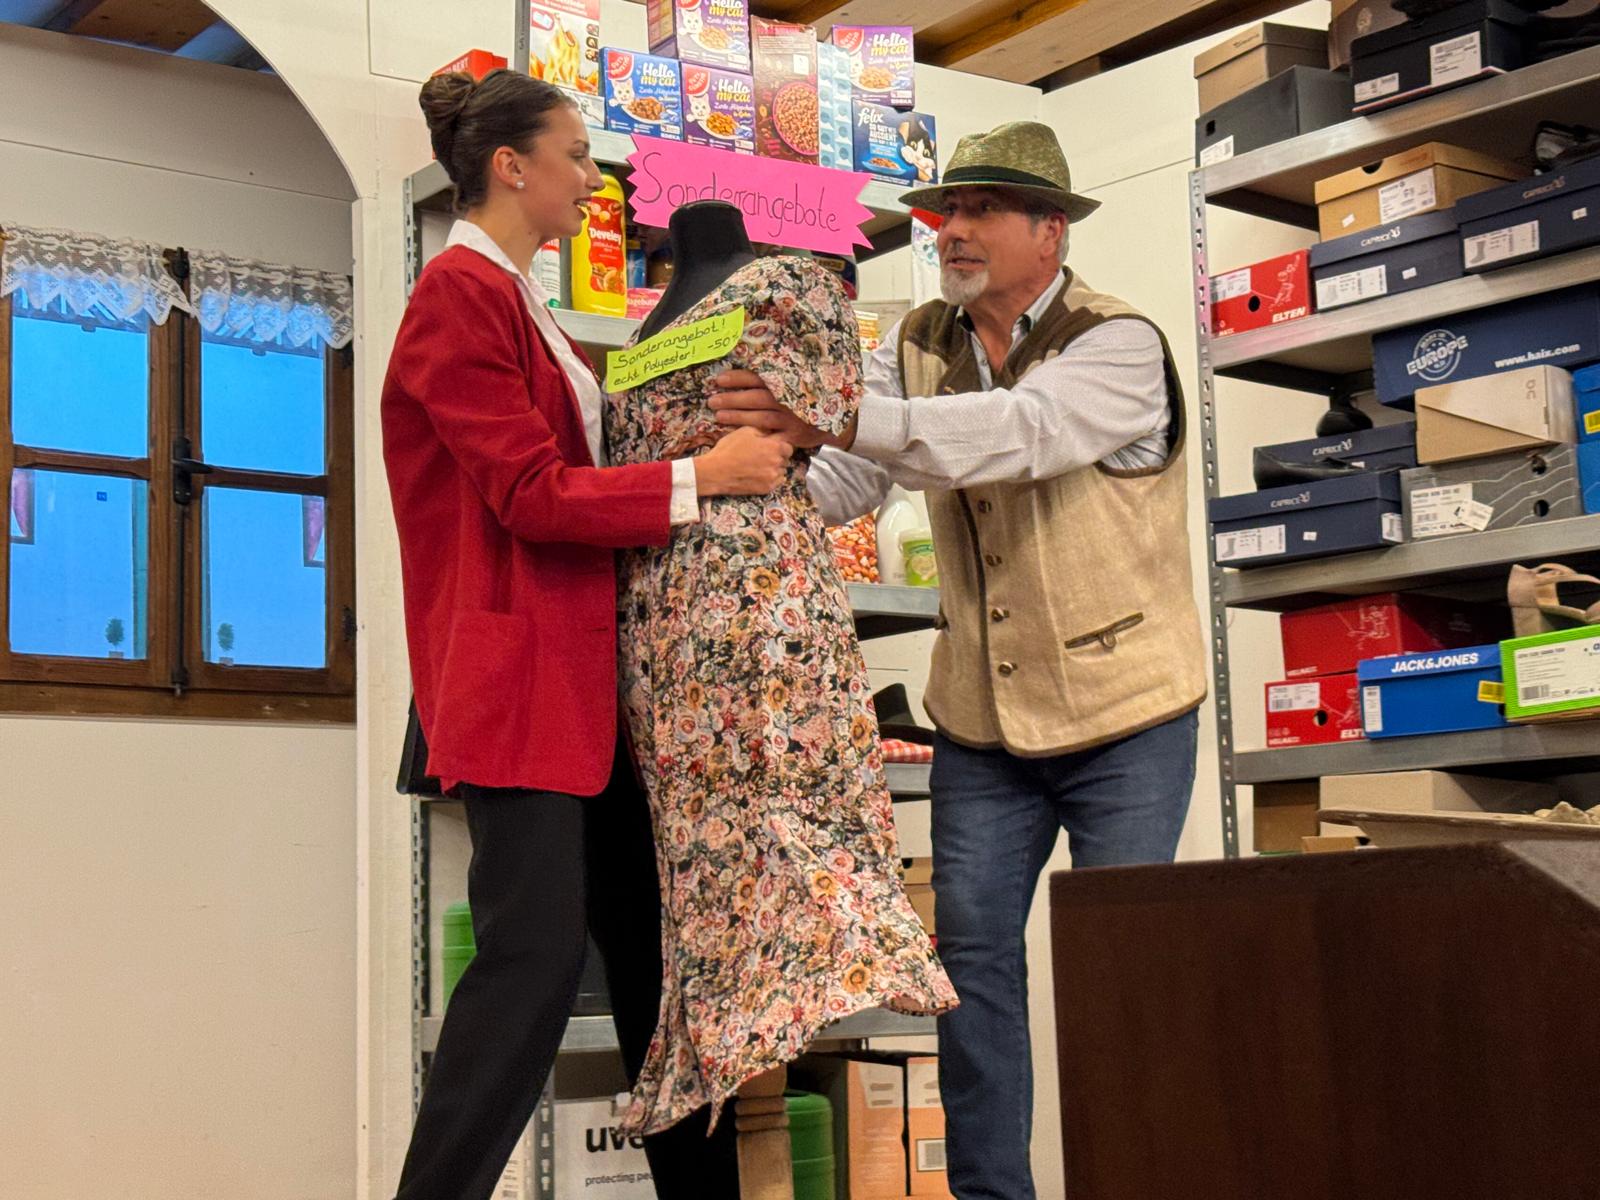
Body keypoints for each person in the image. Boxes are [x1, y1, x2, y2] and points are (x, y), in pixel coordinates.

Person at [709, 120, 1208, 1200]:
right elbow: (855, 478)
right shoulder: (919, 339)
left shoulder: (1117, 342)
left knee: (1123, 966)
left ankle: (1137, 1176)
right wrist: (741, 480)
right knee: (969, 965)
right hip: (982, 718)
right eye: (945, 212)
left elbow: (1016, 432)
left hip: (1127, 710)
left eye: (982, 210)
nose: (952, 230)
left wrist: (832, 413)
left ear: (1050, 230)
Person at [380, 70, 792, 1200]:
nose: (593, 180)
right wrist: (703, 478)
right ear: (510, 166)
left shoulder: (523, 306)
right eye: (574, 154)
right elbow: (529, 493)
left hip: (585, 681)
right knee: (532, 958)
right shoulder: (456, 298)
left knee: (655, 952)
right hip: (519, 680)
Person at [602, 201, 956, 1140]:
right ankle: (710, 1044)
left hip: (756, 597)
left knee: (790, 803)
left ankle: (855, 968)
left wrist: (808, 425)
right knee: (698, 851)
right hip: (660, 618)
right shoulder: (639, 333)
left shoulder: (786, 284)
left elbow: (836, 411)